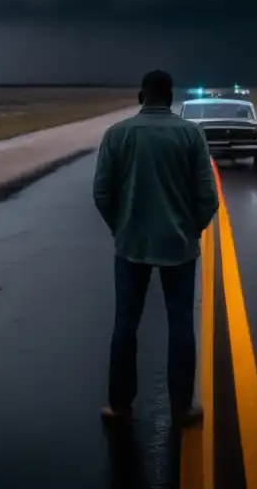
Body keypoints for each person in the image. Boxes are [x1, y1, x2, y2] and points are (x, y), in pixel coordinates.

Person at [93, 69, 219, 427]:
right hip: (178, 245)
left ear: (141, 96)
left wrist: (121, 228)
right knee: (180, 325)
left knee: (125, 325)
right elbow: (208, 197)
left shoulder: (117, 134)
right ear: (170, 97)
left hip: (131, 244)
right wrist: (189, 229)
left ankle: (119, 405)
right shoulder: (190, 134)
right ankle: (181, 407)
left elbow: (102, 192)